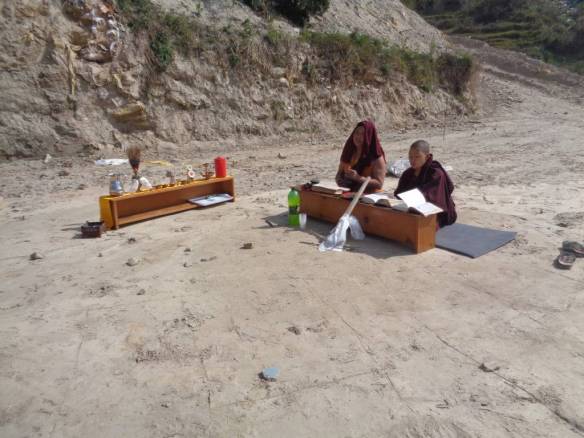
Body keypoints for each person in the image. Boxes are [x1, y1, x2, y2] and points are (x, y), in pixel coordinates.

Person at [394, 140, 457, 228]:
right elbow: (399, 193)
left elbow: (433, 199)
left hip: (435, 214)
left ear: (427, 157)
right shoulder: (407, 173)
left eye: (417, 157)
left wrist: (410, 198)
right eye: (410, 157)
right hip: (409, 209)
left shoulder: (436, 173)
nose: (412, 160)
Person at [335, 120, 386, 193]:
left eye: (363, 134)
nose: (358, 137)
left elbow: (379, 184)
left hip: (367, 196)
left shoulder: (376, 158)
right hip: (347, 194)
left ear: (369, 136)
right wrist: (339, 179)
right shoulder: (349, 152)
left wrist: (358, 178)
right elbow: (339, 173)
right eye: (357, 133)